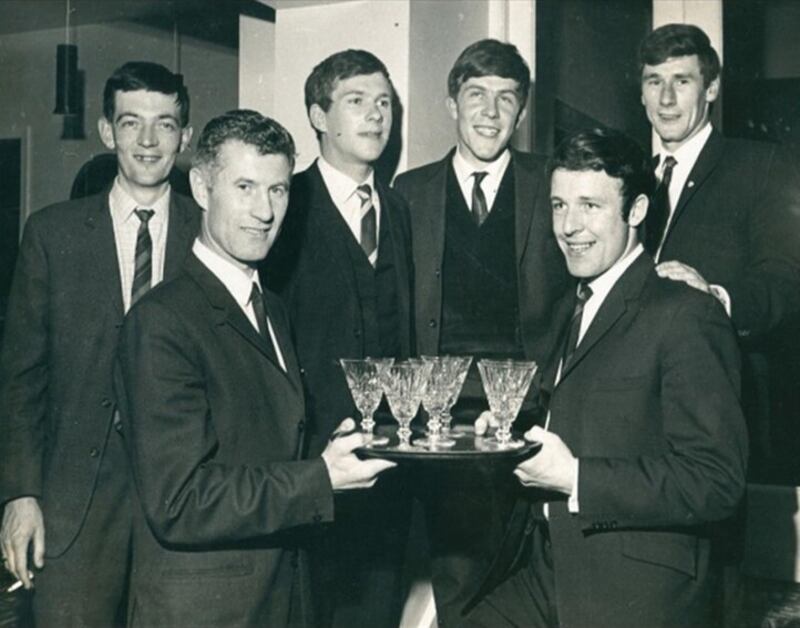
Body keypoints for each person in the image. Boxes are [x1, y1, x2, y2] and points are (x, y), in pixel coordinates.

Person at [114, 109, 395, 627]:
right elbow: (178, 500)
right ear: (201, 188)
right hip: (206, 612)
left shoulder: (273, 308)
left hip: (284, 599)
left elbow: (262, 444)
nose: (264, 211)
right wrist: (320, 478)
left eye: (279, 190)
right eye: (244, 186)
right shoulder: (162, 322)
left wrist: (337, 449)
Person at [464, 128, 748, 628]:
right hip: (551, 572)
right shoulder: (573, 306)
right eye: (557, 205)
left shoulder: (686, 314)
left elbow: (717, 480)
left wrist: (575, 477)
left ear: (636, 211)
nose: (568, 226)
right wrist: (511, 433)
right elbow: (584, 415)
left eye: (589, 206)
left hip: (637, 591)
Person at [0, 61, 199, 627]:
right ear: (107, 131)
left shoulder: (208, 232)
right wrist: (19, 496)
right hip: (73, 507)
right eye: (132, 122)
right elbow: (20, 381)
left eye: (165, 124)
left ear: (184, 137)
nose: (147, 140)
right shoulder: (51, 233)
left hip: (180, 501)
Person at [392, 39, 568, 625]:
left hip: (529, 414)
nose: (490, 113)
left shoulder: (552, 183)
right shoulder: (408, 194)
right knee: (456, 568)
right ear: (451, 104)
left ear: (521, 113)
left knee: (521, 572)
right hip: (438, 422)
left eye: (506, 99)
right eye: (476, 96)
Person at [263, 49, 414, 628]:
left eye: (383, 104)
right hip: (308, 471)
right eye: (357, 101)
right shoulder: (285, 204)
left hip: (389, 474)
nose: (376, 116)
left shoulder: (399, 212)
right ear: (318, 116)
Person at [639, 23, 800, 480]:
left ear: (710, 89)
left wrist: (716, 295)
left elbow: (785, 284)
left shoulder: (762, 165)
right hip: (640, 412)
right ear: (643, 94)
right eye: (655, 82)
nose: (666, 99)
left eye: (682, 81)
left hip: (720, 406)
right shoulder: (631, 179)